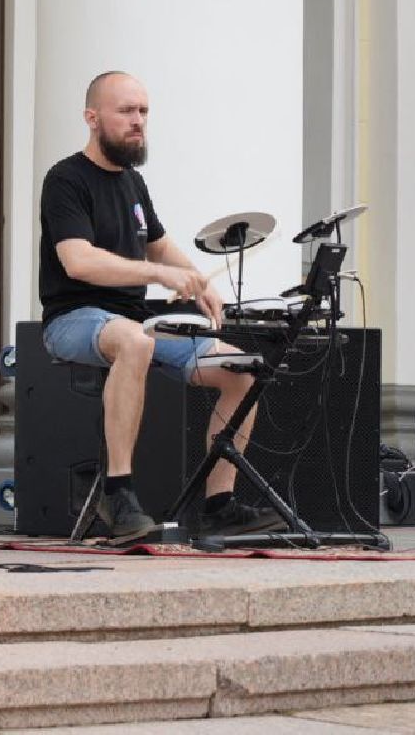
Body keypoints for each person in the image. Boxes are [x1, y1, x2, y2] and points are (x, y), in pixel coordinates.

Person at [38, 71, 280, 543]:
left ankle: (218, 504)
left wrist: (194, 282)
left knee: (241, 370)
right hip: (73, 319)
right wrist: (159, 275)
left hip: (135, 322)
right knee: (134, 342)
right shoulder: (65, 179)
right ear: (92, 118)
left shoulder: (134, 184)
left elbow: (161, 245)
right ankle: (118, 493)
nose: (138, 122)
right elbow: (78, 261)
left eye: (144, 112)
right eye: (126, 111)